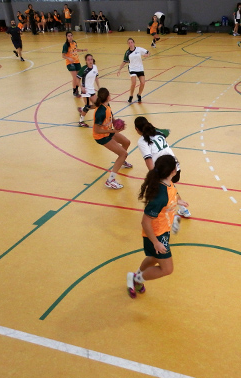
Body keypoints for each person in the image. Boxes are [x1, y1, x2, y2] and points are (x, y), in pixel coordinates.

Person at [126, 154, 190, 299]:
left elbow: (173, 193)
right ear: (173, 171)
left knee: (154, 258)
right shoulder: (159, 197)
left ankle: (135, 276)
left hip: (164, 231)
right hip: (156, 235)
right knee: (167, 269)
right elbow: (145, 222)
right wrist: (156, 242)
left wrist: (178, 201)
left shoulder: (168, 183)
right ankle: (136, 279)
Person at [134, 116, 192, 217]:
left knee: (163, 190)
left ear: (137, 129)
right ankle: (183, 209)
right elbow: (167, 131)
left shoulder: (142, 141)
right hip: (175, 167)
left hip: (164, 169)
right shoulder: (158, 133)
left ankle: (166, 211)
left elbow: (148, 159)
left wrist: (153, 176)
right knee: (171, 186)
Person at [92, 88, 133, 189]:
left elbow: (110, 116)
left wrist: (116, 123)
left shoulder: (107, 105)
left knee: (126, 142)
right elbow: (97, 130)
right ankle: (110, 180)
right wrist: (113, 131)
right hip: (101, 137)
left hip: (108, 131)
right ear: (108, 97)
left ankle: (121, 161)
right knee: (123, 153)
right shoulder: (100, 112)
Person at [116, 38, 149, 103]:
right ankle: (131, 96)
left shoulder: (139, 49)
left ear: (134, 43)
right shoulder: (127, 52)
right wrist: (119, 69)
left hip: (140, 68)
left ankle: (139, 94)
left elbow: (148, 52)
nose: (130, 44)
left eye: (131, 42)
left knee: (142, 83)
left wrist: (147, 55)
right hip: (132, 68)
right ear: (128, 44)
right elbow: (124, 61)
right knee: (133, 83)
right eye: (129, 43)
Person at [76, 54, 100, 127]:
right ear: (86, 61)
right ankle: (81, 121)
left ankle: (82, 109)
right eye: (88, 59)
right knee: (87, 106)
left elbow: (96, 77)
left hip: (92, 89)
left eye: (91, 59)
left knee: (98, 104)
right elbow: (77, 79)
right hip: (85, 90)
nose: (90, 61)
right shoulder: (83, 69)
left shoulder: (95, 67)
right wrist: (81, 87)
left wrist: (99, 87)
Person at [62, 31, 87, 98]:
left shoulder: (74, 42)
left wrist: (82, 50)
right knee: (75, 77)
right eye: (68, 36)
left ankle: (77, 89)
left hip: (77, 61)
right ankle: (75, 91)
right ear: (66, 37)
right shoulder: (66, 45)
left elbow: (75, 49)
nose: (70, 37)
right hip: (70, 63)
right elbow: (63, 55)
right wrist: (69, 58)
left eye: (71, 35)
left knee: (79, 77)